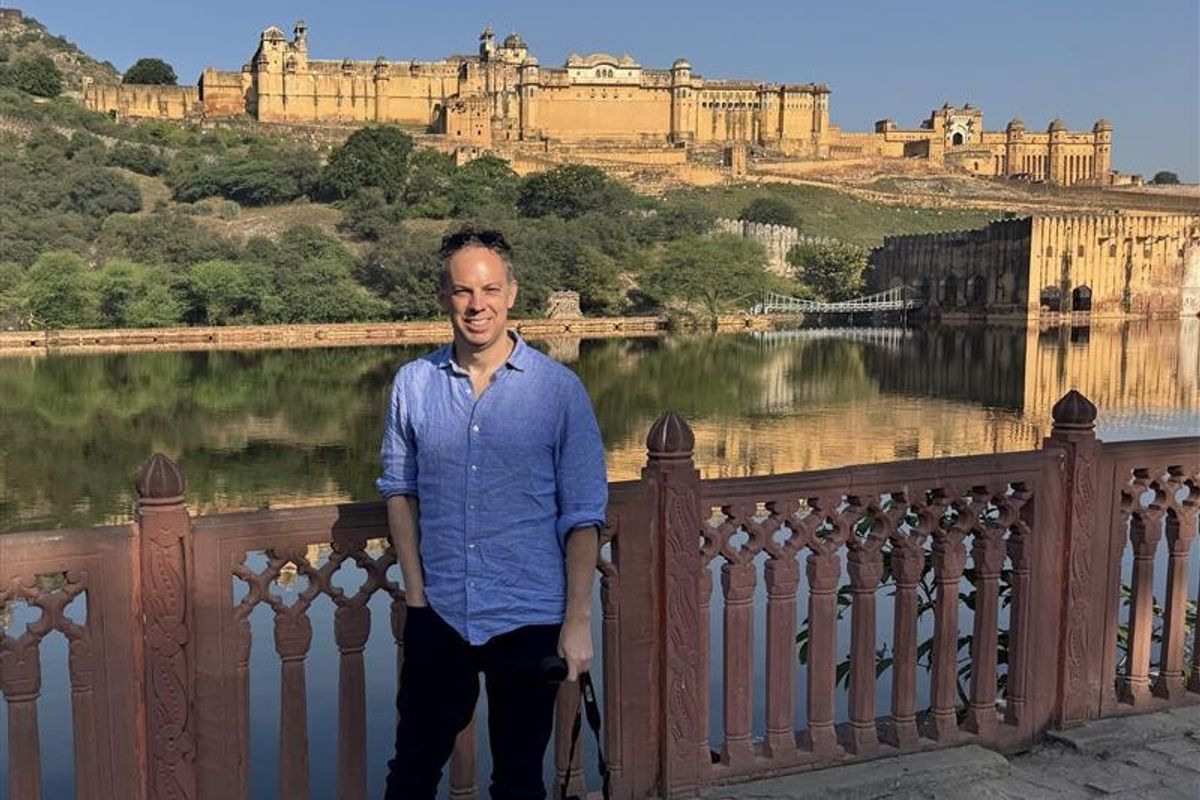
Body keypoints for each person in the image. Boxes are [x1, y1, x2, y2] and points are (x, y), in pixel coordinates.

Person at [377, 226, 608, 800]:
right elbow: (399, 491)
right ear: (443, 299)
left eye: (488, 290)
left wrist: (577, 621)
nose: (476, 306)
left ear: (511, 294)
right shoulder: (414, 384)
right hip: (442, 612)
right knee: (410, 774)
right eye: (462, 292)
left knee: (519, 779)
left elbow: (582, 514)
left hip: (528, 614)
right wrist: (415, 594)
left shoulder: (559, 390)